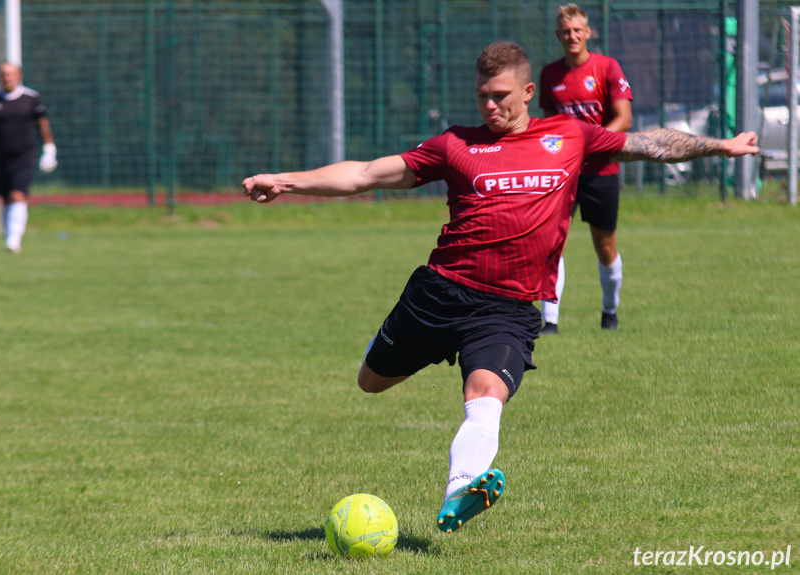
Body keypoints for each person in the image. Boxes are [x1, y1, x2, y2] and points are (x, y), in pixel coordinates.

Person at [242, 42, 758, 533]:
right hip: (439, 294)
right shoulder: (455, 145)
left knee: (486, 394)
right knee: (370, 382)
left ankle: (461, 489)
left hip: (509, 307)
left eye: (501, 96)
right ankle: (432, 409)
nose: (490, 105)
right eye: (483, 96)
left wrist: (722, 146)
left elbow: (649, 145)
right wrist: (286, 180)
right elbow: (366, 174)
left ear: (528, 92)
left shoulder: (570, 136)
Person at [538, 4, 633, 334]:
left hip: (601, 171)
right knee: (553, 245)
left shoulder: (606, 67)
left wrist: (588, 146)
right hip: (563, 173)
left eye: (578, 30)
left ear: (588, 33)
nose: (572, 36)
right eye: (566, 31)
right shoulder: (550, 75)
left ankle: (609, 312)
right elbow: (549, 126)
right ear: (558, 36)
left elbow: (624, 118)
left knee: (605, 247)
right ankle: (549, 321)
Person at [0, 62, 57, 254]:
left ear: (19, 76)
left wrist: (50, 149)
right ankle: (9, 235)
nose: (7, 78)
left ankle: (13, 240)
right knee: (6, 198)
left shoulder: (31, 98)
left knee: (18, 194)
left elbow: (42, 125)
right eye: (3, 74)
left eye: (11, 74)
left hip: (24, 155)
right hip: (0, 157)